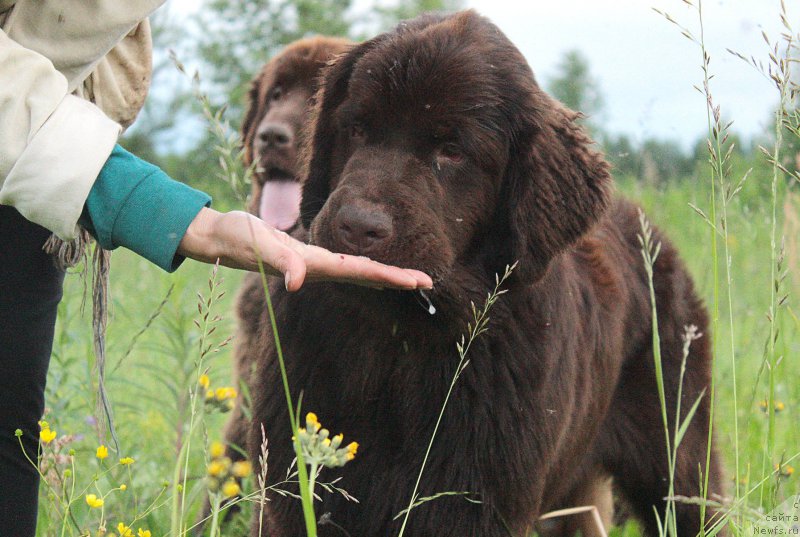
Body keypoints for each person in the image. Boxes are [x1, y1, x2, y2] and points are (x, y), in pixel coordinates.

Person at [0, 2, 432, 534]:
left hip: (35, 167)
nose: (276, 126)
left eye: (312, 102)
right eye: (276, 98)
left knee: (9, 425)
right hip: (35, 160)